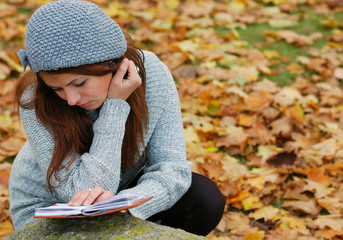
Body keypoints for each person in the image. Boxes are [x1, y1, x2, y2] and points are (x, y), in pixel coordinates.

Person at [9, 0, 225, 236]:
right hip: (52, 211)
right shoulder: (35, 99)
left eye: (79, 83)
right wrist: (115, 105)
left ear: (111, 64)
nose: (70, 99)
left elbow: (172, 169)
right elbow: (84, 191)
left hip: (119, 195)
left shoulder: (151, 75)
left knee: (203, 198)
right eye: (57, 89)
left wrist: (125, 204)